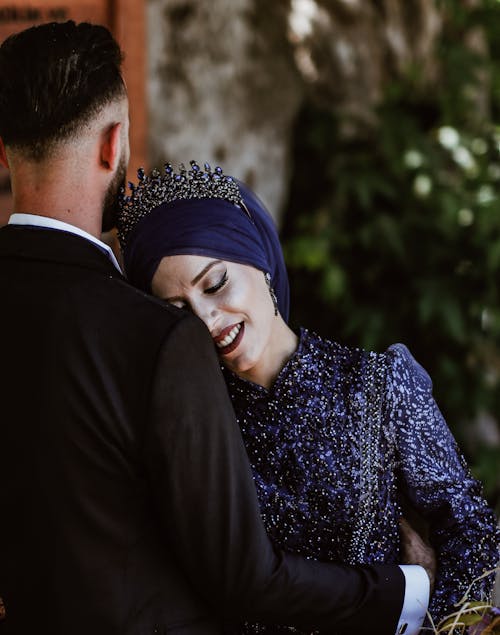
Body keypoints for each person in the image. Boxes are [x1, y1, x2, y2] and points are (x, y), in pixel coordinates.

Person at [0, 20, 434, 635]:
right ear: (113, 144)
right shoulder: (152, 336)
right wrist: (410, 591)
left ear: (2, 150)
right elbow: (242, 577)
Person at [118, 160, 500, 633]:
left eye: (215, 284)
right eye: (177, 311)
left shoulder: (377, 384)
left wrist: (439, 621)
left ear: (257, 255)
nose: (207, 320)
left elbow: (469, 525)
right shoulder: (189, 430)